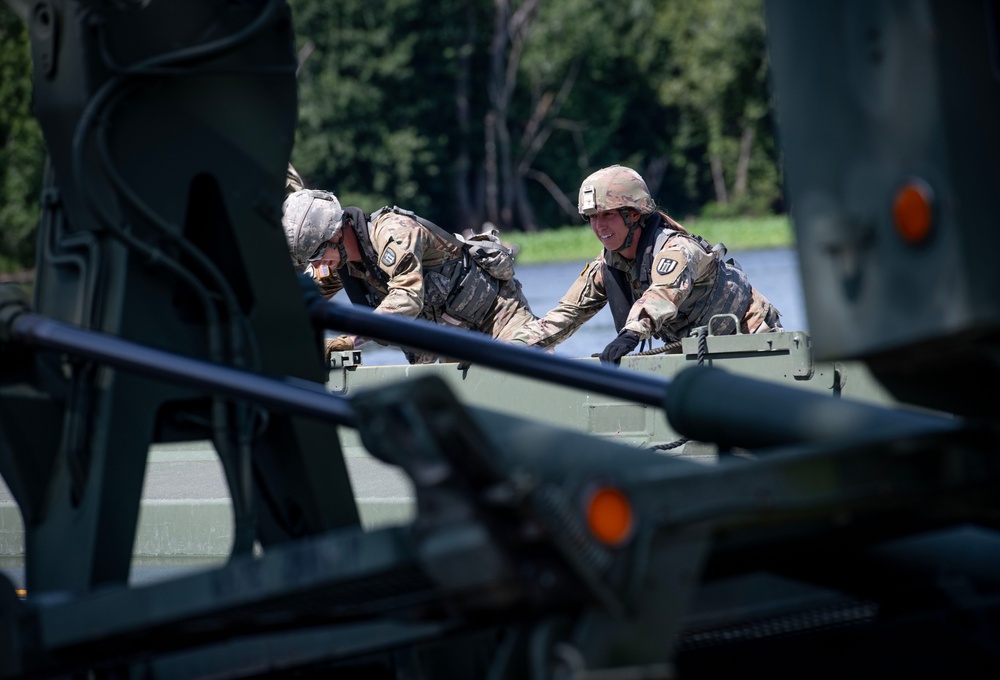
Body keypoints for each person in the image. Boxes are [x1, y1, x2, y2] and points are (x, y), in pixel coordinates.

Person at [509, 165, 782, 364]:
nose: (599, 226)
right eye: (591, 217)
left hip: (751, 336)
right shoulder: (606, 267)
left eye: (607, 215)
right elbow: (564, 316)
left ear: (633, 215)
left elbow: (660, 296)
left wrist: (630, 335)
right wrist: (505, 349)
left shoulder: (677, 250)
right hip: (694, 348)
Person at [282, 188, 537, 364]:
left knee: (532, 377)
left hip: (496, 316)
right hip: (450, 339)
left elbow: (407, 298)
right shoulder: (338, 262)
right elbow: (300, 301)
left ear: (336, 233)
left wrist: (349, 340)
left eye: (316, 253)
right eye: (310, 259)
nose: (317, 263)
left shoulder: (394, 232)